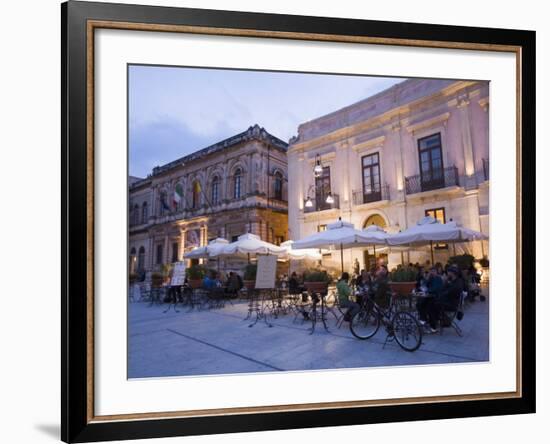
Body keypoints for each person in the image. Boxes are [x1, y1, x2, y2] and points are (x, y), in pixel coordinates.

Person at [421, 265, 464, 333]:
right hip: (447, 302)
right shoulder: (453, 281)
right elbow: (443, 290)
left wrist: (444, 284)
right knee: (428, 302)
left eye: (448, 272)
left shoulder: (457, 283)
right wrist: (445, 282)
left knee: (431, 305)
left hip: (451, 304)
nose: (447, 273)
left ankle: (433, 326)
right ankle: (429, 322)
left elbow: (446, 293)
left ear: (452, 273)